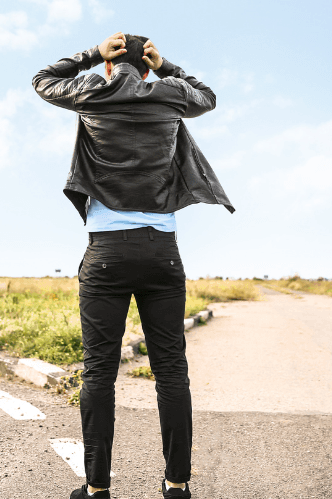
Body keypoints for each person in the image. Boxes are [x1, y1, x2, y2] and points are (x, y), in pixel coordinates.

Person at [32, 32, 233, 499]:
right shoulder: (171, 95)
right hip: (162, 251)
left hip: (106, 253)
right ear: (146, 66)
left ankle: (97, 487)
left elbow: (43, 80)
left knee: (99, 371)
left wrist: (90, 55)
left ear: (109, 66)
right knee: (171, 371)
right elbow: (209, 97)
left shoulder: (93, 93)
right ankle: (177, 484)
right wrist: (167, 67)